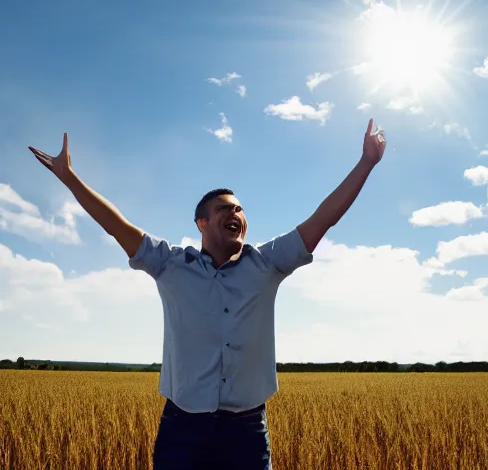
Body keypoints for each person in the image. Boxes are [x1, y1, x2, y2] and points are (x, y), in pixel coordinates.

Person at [28, 119, 386, 469]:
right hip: (182, 429)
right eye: (225, 208)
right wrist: (71, 179)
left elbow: (323, 218)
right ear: (202, 223)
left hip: (247, 432)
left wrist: (366, 163)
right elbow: (116, 226)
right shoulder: (169, 264)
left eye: (240, 209)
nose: (236, 213)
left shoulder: (267, 264)